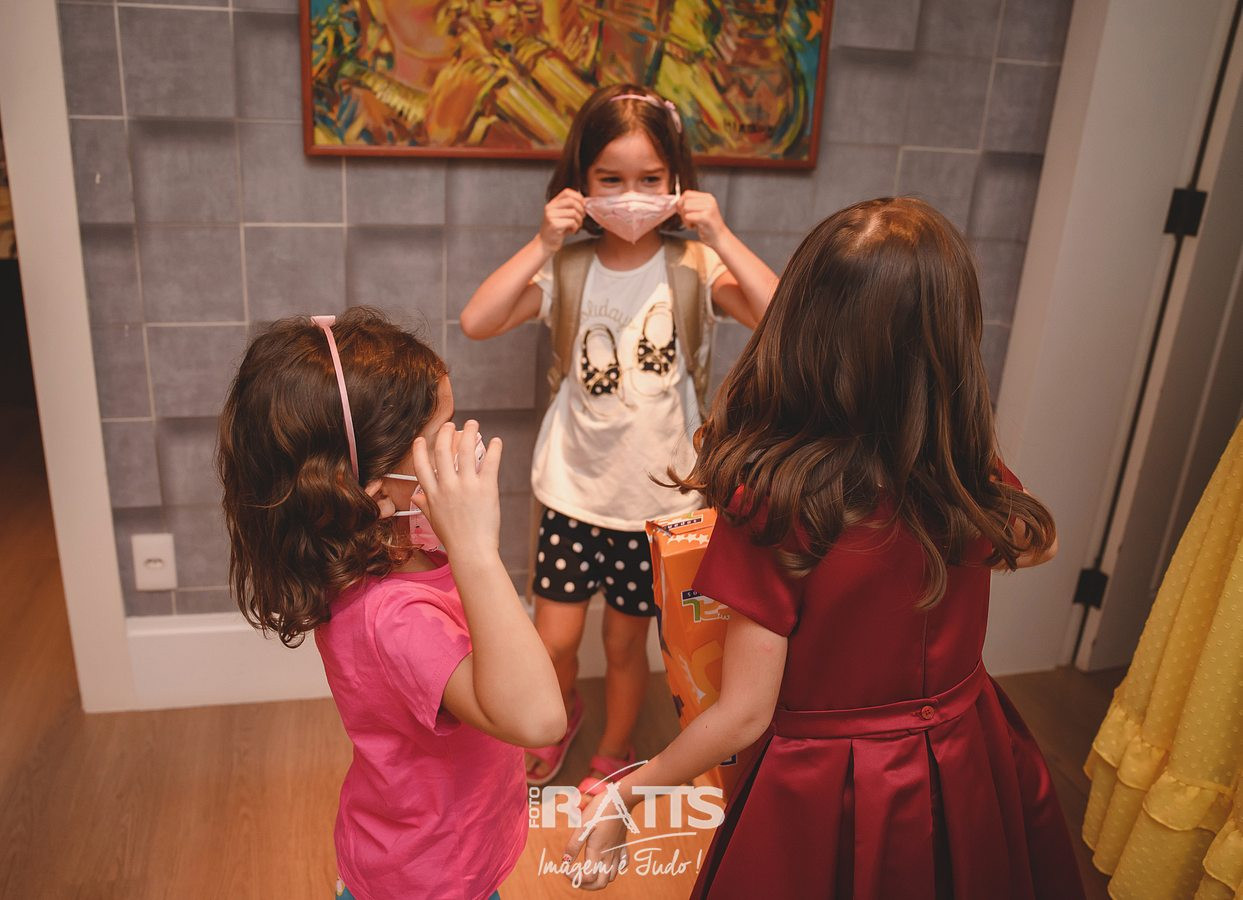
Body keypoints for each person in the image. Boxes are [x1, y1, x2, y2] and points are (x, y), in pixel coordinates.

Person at [563, 198, 1088, 899]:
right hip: (967, 753)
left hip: (827, 784)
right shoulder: (964, 477)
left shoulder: (778, 502)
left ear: (802, 327)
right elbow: (1039, 544)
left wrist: (628, 793)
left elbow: (744, 714)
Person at [460, 83, 778, 796]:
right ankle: (557, 716)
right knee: (554, 641)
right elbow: (478, 320)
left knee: (627, 644)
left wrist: (720, 236)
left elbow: (780, 314)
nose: (631, 195)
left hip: (655, 506)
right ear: (580, 182)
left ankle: (615, 744)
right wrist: (544, 241)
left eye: (650, 179)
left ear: (677, 182)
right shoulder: (567, 267)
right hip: (573, 493)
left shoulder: (693, 267)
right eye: (610, 179)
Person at [218, 308, 565, 900]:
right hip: (430, 880)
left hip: (437, 851)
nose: (462, 440)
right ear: (378, 493)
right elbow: (539, 721)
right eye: (442, 431)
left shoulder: (399, 543)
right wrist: (477, 550)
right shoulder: (395, 619)